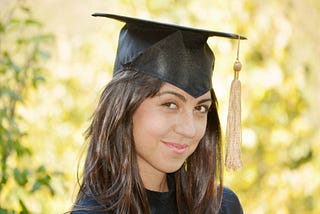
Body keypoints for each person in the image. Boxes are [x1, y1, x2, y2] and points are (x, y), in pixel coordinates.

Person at [71, 13, 245, 214]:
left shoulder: (221, 207)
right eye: (170, 104)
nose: (189, 129)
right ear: (124, 108)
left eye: (200, 108)